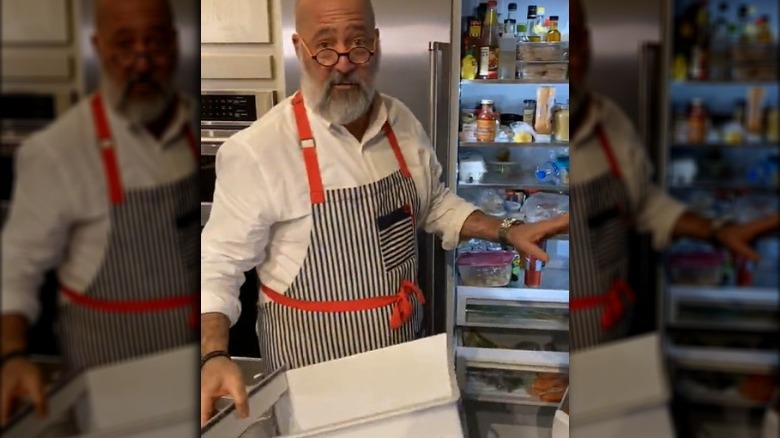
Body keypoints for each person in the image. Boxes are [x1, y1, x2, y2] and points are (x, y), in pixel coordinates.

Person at [199, 0, 569, 425]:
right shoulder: (258, 150)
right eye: (324, 47)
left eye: (357, 44)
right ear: (300, 48)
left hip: (402, 359)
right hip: (313, 374)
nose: (343, 64)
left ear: (376, 45)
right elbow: (218, 264)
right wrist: (213, 354)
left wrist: (508, 229)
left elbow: (435, 204)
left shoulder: (401, 122)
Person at [0, 0, 198, 426]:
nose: (142, 62)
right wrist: (12, 355)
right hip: (109, 384)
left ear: (175, 45)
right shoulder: (58, 150)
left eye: (156, 44)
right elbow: (14, 269)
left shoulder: (193, 125)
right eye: (125, 46)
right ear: (99, 47)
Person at [568, 0, 779, 350]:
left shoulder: (612, 125)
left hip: (605, 339)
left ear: (588, 45)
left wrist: (717, 230)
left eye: (573, 46)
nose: (565, 62)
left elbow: (645, 203)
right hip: (538, 340)